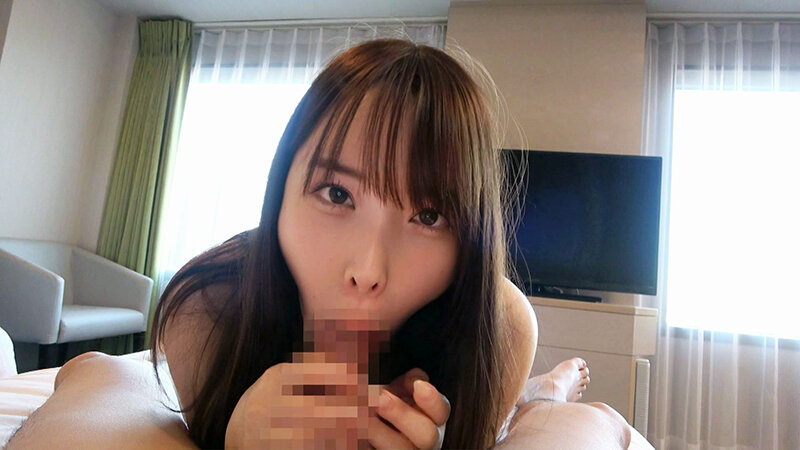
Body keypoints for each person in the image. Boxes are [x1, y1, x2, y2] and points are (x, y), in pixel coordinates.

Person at [6, 38, 631, 449]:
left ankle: (546, 389)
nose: (367, 269)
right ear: (280, 189)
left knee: (556, 417)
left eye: (428, 215)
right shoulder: (208, 309)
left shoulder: (499, 323)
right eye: (336, 194)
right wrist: (237, 438)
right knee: (98, 372)